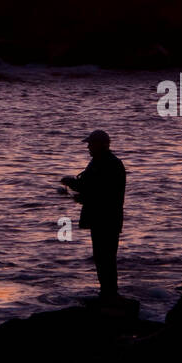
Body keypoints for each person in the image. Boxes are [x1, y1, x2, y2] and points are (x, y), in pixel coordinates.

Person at [60, 129, 126, 302]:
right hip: (106, 218)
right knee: (103, 257)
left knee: (105, 257)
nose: (88, 147)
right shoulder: (104, 162)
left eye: (91, 143)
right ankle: (108, 293)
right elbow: (96, 191)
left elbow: (94, 188)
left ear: (100, 145)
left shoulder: (106, 164)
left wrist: (71, 183)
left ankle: (109, 294)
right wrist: (79, 193)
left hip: (105, 219)